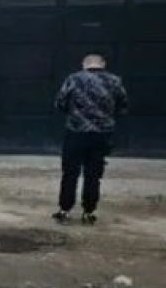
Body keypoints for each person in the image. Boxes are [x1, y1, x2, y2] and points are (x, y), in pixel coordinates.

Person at [52, 53, 128, 226]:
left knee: (70, 173)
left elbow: (60, 103)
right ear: (103, 64)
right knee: (93, 175)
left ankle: (65, 210)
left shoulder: (73, 79)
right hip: (101, 134)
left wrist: (75, 115)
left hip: (76, 132)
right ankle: (89, 212)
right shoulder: (115, 81)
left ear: (84, 64)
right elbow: (122, 105)